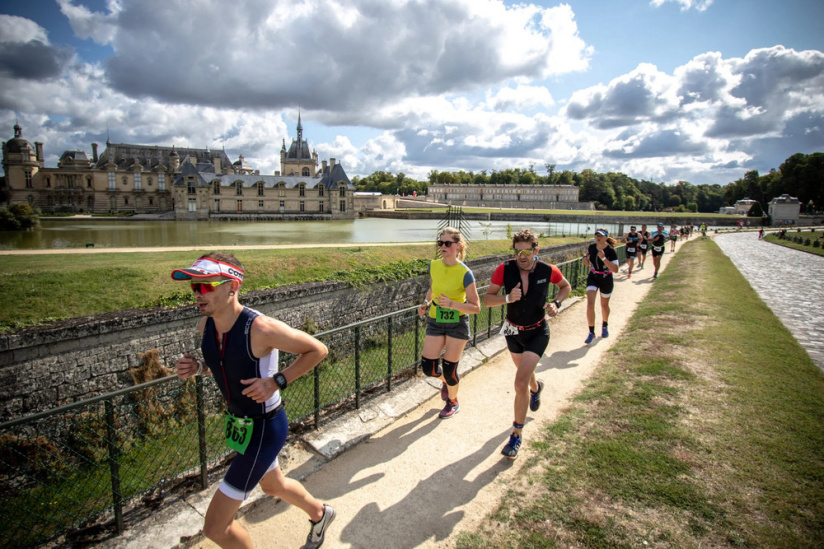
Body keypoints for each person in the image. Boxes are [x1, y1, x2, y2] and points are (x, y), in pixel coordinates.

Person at [172, 252, 336, 549]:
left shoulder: (261, 328)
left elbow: (318, 349)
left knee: (215, 528)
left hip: (265, 428)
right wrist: (197, 368)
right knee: (274, 485)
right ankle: (321, 514)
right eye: (194, 287)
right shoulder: (205, 326)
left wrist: (276, 381)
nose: (198, 294)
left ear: (232, 286)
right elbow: (225, 363)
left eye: (206, 286)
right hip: (241, 423)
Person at [484, 229, 571, 459]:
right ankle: (537, 388)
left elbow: (566, 287)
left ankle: (516, 435)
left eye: (527, 251)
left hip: (537, 332)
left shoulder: (547, 270)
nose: (522, 256)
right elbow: (487, 300)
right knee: (526, 376)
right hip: (513, 331)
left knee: (519, 381)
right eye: (518, 251)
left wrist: (556, 304)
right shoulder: (504, 269)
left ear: (536, 250)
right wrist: (506, 298)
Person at [417, 227, 481, 419]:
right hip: (436, 320)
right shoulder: (434, 266)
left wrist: (453, 304)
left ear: (457, 246)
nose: (443, 246)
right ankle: (447, 381)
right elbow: (433, 290)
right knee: (428, 367)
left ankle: (452, 401)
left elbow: (476, 306)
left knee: (450, 368)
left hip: (457, 323)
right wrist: (426, 303)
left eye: (447, 243)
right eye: (440, 243)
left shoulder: (465, 273)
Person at [582, 228, 619, 344]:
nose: (598, 237)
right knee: (590, 304)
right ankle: (591, 332)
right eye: (597, 235)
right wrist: (585, 259)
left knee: (604, 305)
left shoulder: (611, 251)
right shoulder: (592, 247)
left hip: (606, 278)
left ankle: (604, 325)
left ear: (606, 237)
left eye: (601, 236)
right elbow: (588, 263)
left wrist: (603, 258)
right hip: (593, 277)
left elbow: (616, 269)